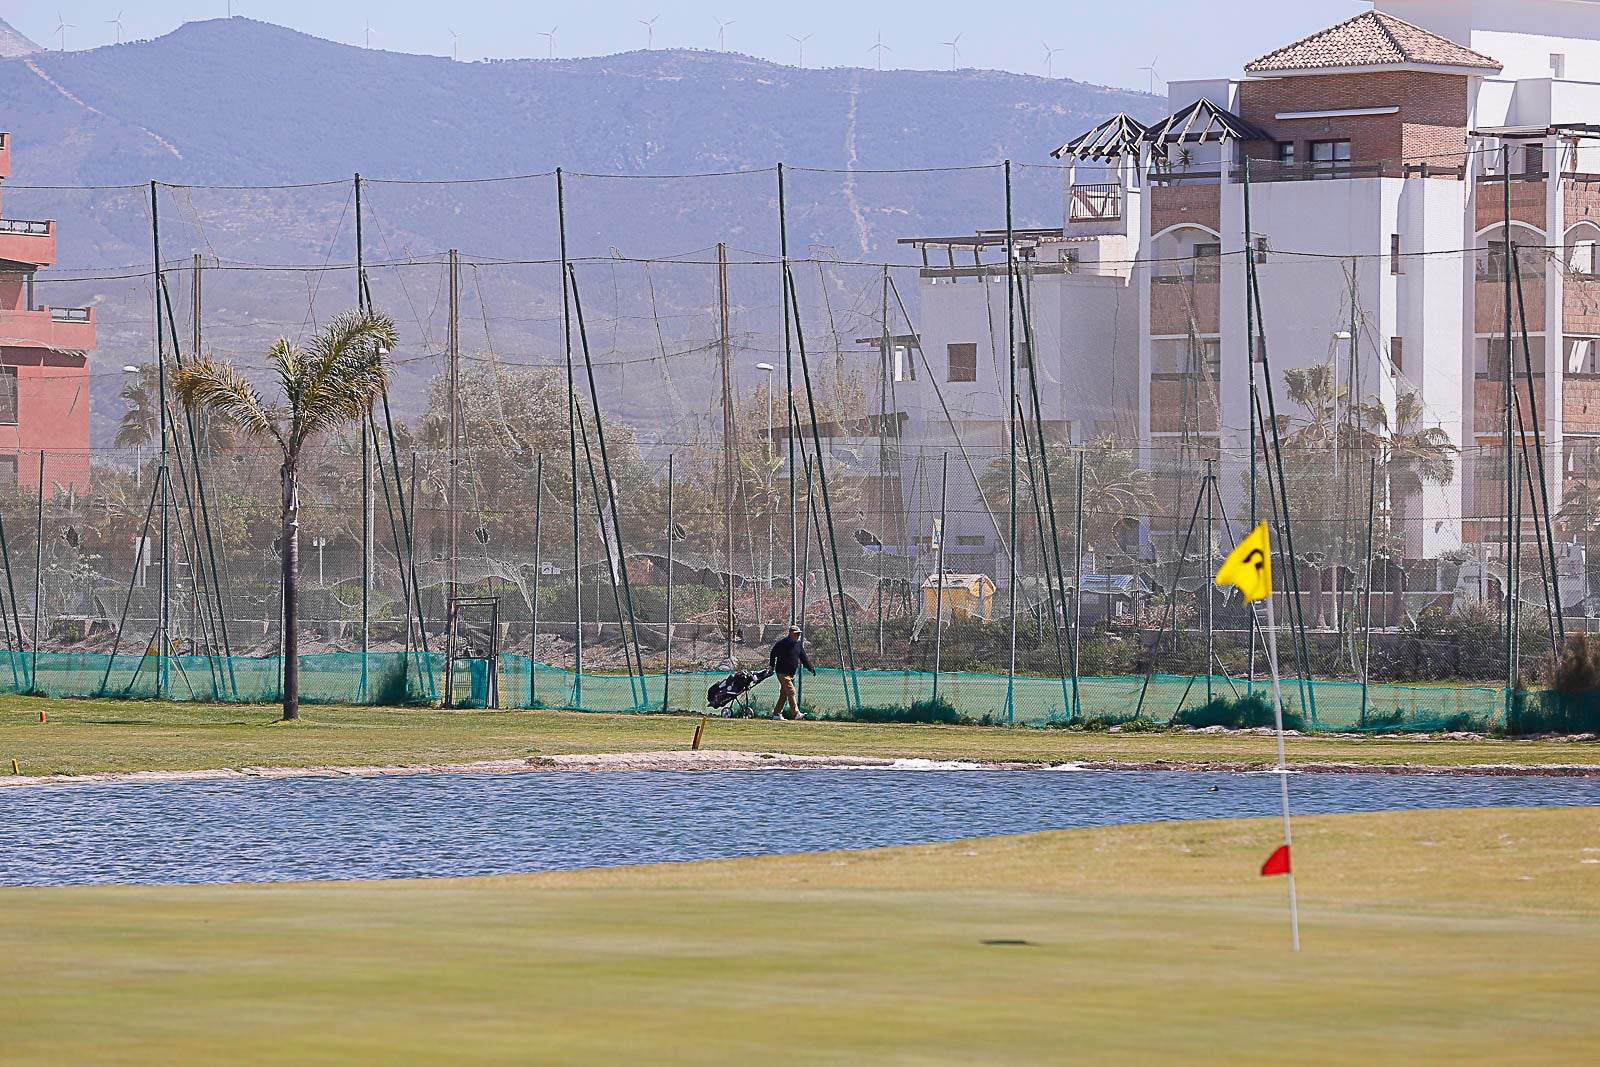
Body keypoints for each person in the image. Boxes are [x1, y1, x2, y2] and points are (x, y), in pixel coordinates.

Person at [769, 624, 816, 720]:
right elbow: (773, 654)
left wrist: (810, 668)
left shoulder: (798, 645)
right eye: (796, 634)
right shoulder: (781, 644)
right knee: (791, 691)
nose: (798, 635)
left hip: (791, 674)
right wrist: (772, 666)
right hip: (782, 673)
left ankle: (776, 714)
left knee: (784, 694)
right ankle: (796, 713)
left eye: (799, 634)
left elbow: (803, 657)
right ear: (790, 634)